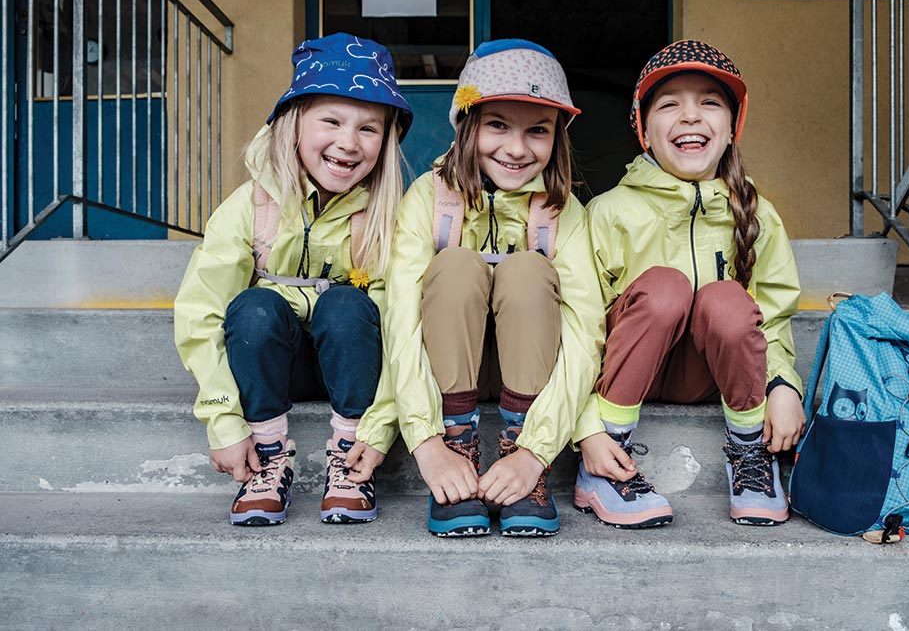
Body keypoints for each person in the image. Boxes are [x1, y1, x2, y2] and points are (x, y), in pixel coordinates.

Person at [174, 33, 411, 526]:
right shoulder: (250, 207)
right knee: (252, 308)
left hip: (350, 365)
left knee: (348, 305)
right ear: (294, 123)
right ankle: (268, 457)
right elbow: (200, 313)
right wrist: (223, 420)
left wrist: (380, 425)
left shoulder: (386, 217)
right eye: (331, 121)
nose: (349, 142)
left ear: (386, 141)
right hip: (274, 364)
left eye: (369, 128)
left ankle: (348, 461)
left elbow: (404, 327)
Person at [574, 39, 805, 528]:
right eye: (670, 104)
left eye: (709, 103)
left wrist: (782, 386)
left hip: (714, 377)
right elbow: (577, 331)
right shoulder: (608, 213)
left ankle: (749, 456)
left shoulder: (757, 214)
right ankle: (609, 459)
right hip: (625, 376)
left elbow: (775, 315)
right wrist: (585, 427)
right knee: (664, 286)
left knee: (726, 298)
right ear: (643, 128)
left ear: (731, 127)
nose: (691, 116)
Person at [384, 39, 605, 537]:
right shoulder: (428, 198)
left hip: (528, 380)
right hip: (449, 375)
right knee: (457, 264)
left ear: (557, 137)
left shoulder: (562, 211)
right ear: (468, 124)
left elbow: (583, 332)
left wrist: (536, 451)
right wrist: (426, 443)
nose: (516, 148)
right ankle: (460, 445)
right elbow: (399, 319)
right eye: (498, 125)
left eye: (538, 131)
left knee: (528, 269)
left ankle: (521, 462)